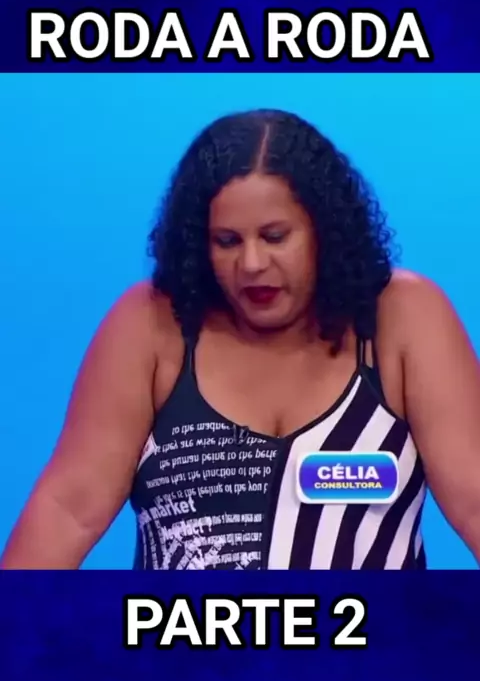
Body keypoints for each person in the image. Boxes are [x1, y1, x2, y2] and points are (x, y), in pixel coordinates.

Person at [2, 109, 480, 570]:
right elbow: (69, 509)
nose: (251, 263)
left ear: (325, 232)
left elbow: (474, 501)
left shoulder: (402, 318)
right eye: (227, 241)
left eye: (274, 237)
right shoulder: (151, 326)